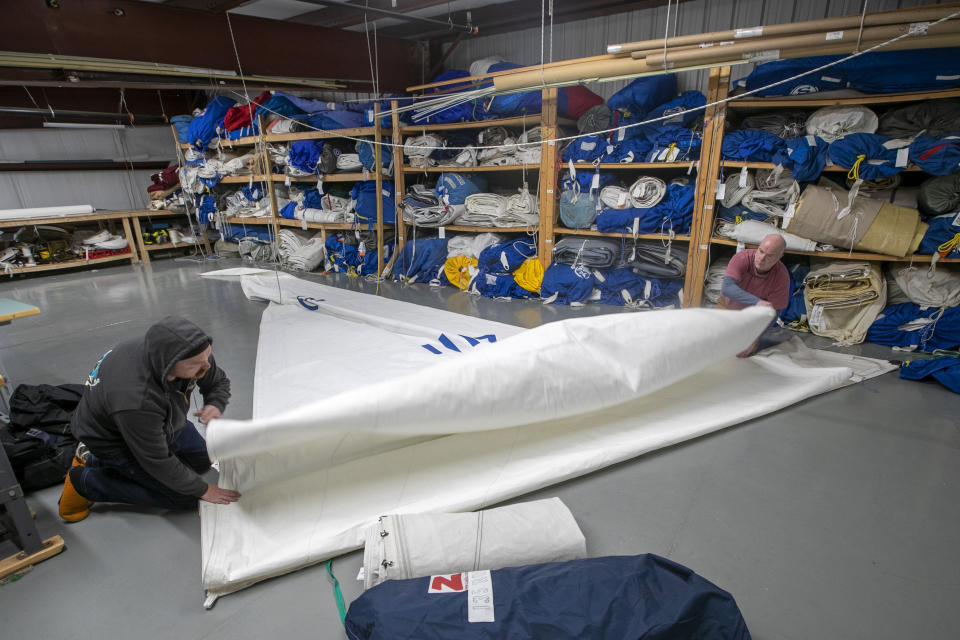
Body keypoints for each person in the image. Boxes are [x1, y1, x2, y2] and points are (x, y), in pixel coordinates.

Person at [58, 316, 241, 522]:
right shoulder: (136, 398)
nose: (206, 365)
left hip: (163, 420)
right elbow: (156, 460)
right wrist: (203, 490)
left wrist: (214, 403)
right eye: (197, 364)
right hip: (113, 439)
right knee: (186, 496)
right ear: (170, 364)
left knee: (204, 462)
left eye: (208, 356)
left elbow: (217, 381)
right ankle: (85, 481)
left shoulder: (193, 351)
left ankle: (100, 462)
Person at [719, 234, 790, 357]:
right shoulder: (742, 258)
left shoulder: (781, 277)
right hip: (726, 308)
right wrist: (757, 301)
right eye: (761, 251)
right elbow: (727, 288)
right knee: (716, 342)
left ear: (780, 257)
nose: (762, 259)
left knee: (742, 352)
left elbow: (775, 311)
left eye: (769, 256)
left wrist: (756, 336)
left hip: (752, 320)